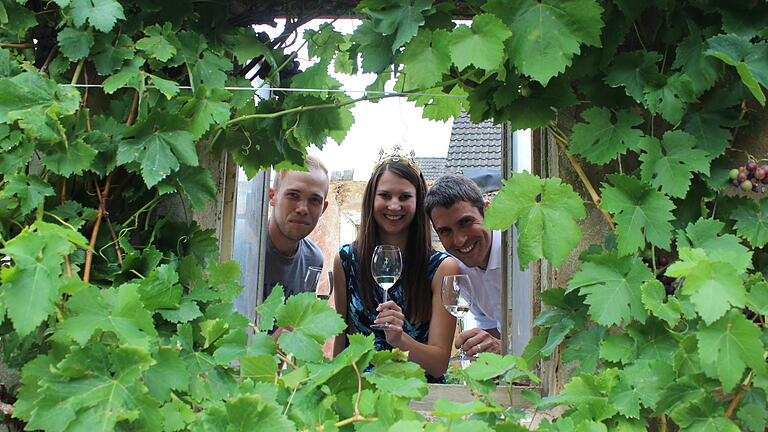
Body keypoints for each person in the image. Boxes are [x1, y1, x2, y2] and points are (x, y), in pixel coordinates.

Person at [331, 156, 458, 382]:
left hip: (419, 396)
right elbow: (341, 347)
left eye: (405, 197)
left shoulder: (442, 267)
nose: (394, 205)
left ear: (419, 201)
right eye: (385, 195)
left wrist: (401, 340)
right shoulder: (346, 261)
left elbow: (438, 365)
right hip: (361, 396)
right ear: (371, 198)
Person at [425, 173, 502, 356]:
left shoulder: (521, 255)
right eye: (445, 231)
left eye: (466, 222)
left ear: (488, 211)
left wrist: (503, 349)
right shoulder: (456, 268)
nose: (459, 240)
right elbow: (489, 326)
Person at [264, 155, 329, 302]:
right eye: (293, 195)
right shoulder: (243, 249)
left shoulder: (312, 259)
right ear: (272, 196)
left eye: (314, 200)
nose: (302, 209)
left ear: (323, 208)